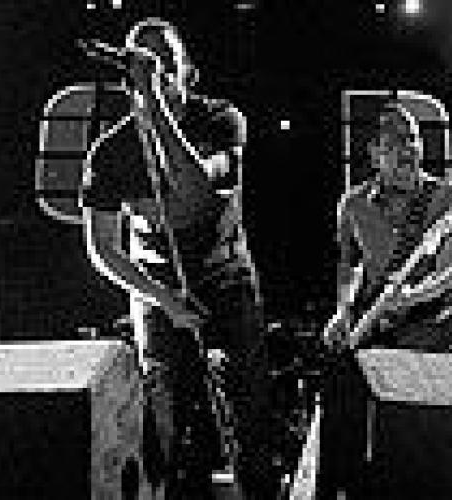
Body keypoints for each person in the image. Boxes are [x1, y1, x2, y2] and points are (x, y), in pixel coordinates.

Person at [79, 18, 278, 498]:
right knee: (161, 420)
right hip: (156, 291)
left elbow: (197, 195)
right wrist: (162, 298)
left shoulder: (221, 120)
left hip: (226, 280)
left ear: (189, 69)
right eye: (146, 63)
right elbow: (102, 247)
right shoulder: (110, 153)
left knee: (247, 414)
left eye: (167, 60)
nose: (158, 70)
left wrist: (155, 110)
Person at [326, 100, 452, 356]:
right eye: (396, 141)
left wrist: (410, 297)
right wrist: (343, 312)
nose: (408, 148)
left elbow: (449, 271)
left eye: (413, 138)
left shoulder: (451, 198)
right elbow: (349, 265)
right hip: (378, 325)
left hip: (438, 317)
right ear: (374, 153)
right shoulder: (353, 205)